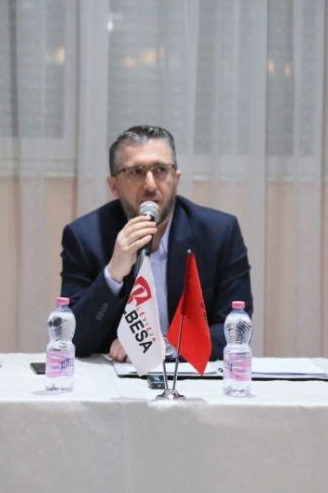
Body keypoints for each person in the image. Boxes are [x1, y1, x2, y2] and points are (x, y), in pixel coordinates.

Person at [60, 125, 252, 361]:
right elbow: (74, 339)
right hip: (115, 376)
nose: (150, 185)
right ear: (113, 186)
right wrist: (113, 274)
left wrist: (167, 347)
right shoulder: (85, 237)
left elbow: (235, 330)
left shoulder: (219, 233)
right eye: (135, 172)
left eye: (160, 170)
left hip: (189, 375)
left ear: (176, 178)